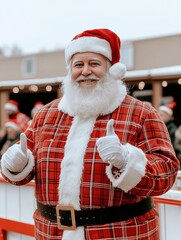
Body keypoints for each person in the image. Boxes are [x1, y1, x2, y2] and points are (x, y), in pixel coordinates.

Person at [0, 28, 179, 240]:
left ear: (111, 69)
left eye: (94, 63)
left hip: (121, 234)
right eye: (78, 65)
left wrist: (128, 162)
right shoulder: (46, 115)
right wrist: (16, 165)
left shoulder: (142, 113)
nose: (85, 71)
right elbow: (23, 172)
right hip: (52, 234)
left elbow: (166, 172)